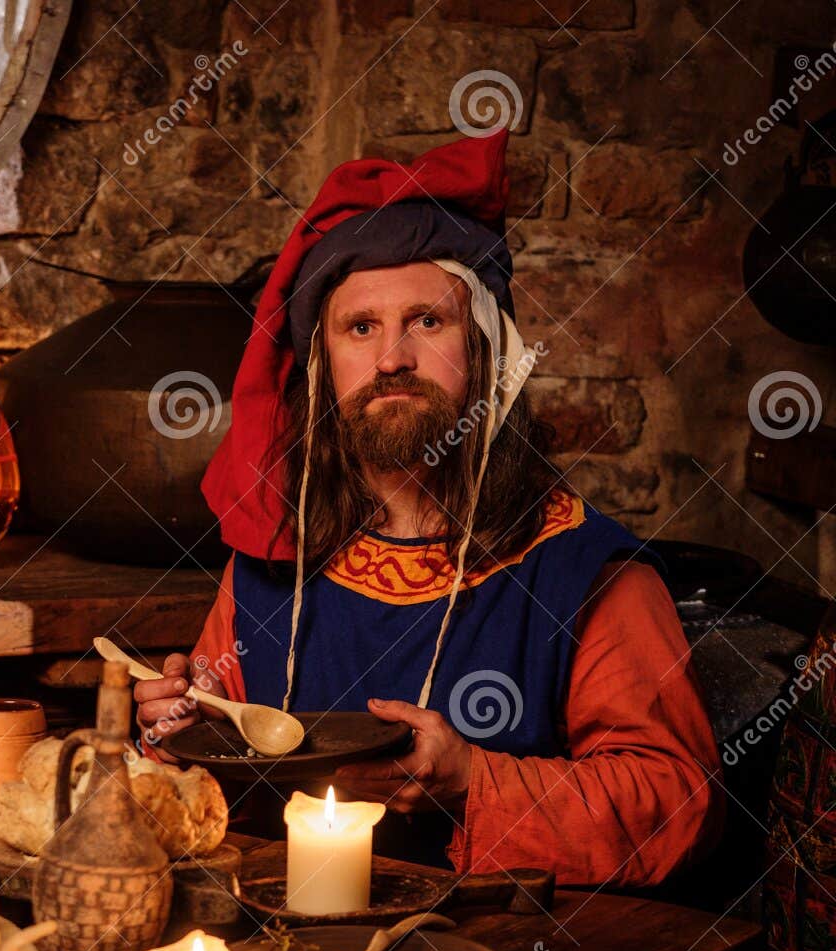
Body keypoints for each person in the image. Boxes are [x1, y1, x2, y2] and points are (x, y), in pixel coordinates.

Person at [134, 131, 720, 887]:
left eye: (428, 321)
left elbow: (679, 809)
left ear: (486, 350)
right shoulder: (275, 558)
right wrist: (178, 735)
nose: (390, 360)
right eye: (360, 327)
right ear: (324, 369)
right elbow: (219, 787)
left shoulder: (589, 573)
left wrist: (476, 777)